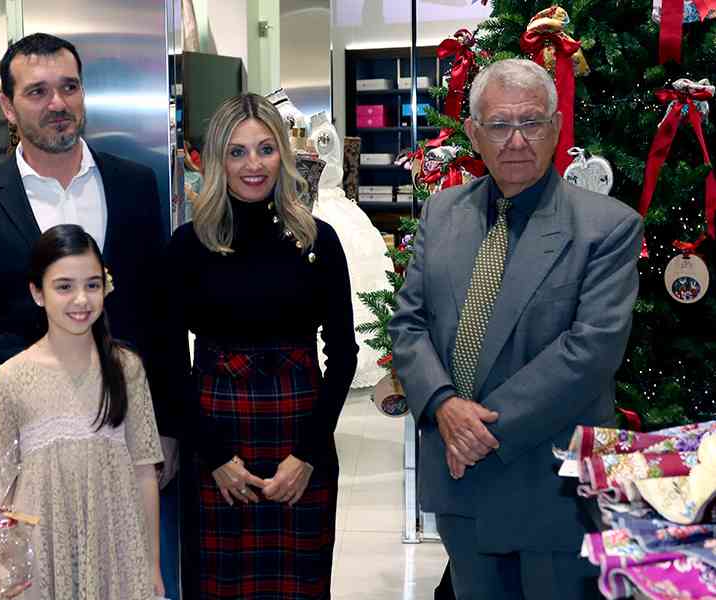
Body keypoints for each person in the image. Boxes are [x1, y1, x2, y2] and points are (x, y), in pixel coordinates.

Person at [388, 58, 643, 600]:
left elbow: (591, 350)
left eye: (531, 122)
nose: (517, 140)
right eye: (499, 125)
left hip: (548, 483)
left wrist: (476, 431)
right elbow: (409, 322)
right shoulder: (441, 213)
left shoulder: (606, 227)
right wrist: (443, 406)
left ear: (556, 127)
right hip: (459, 482)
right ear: (474, 132)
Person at [0, 33, 178, 593]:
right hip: (32, 450)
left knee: (131, 574)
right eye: (38, 91)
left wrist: (168, 427)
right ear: (8, 105)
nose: (57, 103)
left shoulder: (134, 185)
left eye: (69, 87)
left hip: (123, 433)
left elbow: (158, 315)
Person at [168, 93, 358, 599]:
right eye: (237, 152)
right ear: (217, 160)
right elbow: (169, 362)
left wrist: (307, 455)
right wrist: (215, 457)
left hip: (301, 442)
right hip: (217, 445)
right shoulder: (188, 246)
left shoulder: (319, 242)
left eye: (266, 149)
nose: (253, 165)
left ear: (283, 155)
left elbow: (343, 357)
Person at [0, 224, 164, 599]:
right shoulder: (11, 376)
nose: (81, 299)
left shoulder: (126, 368)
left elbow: (144, 471)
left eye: (92, 285)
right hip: (43, 545)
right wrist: (1, 558)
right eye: (64, 286)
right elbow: (1, 482)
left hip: (115, 542)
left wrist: (151, 564)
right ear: (37, 292)